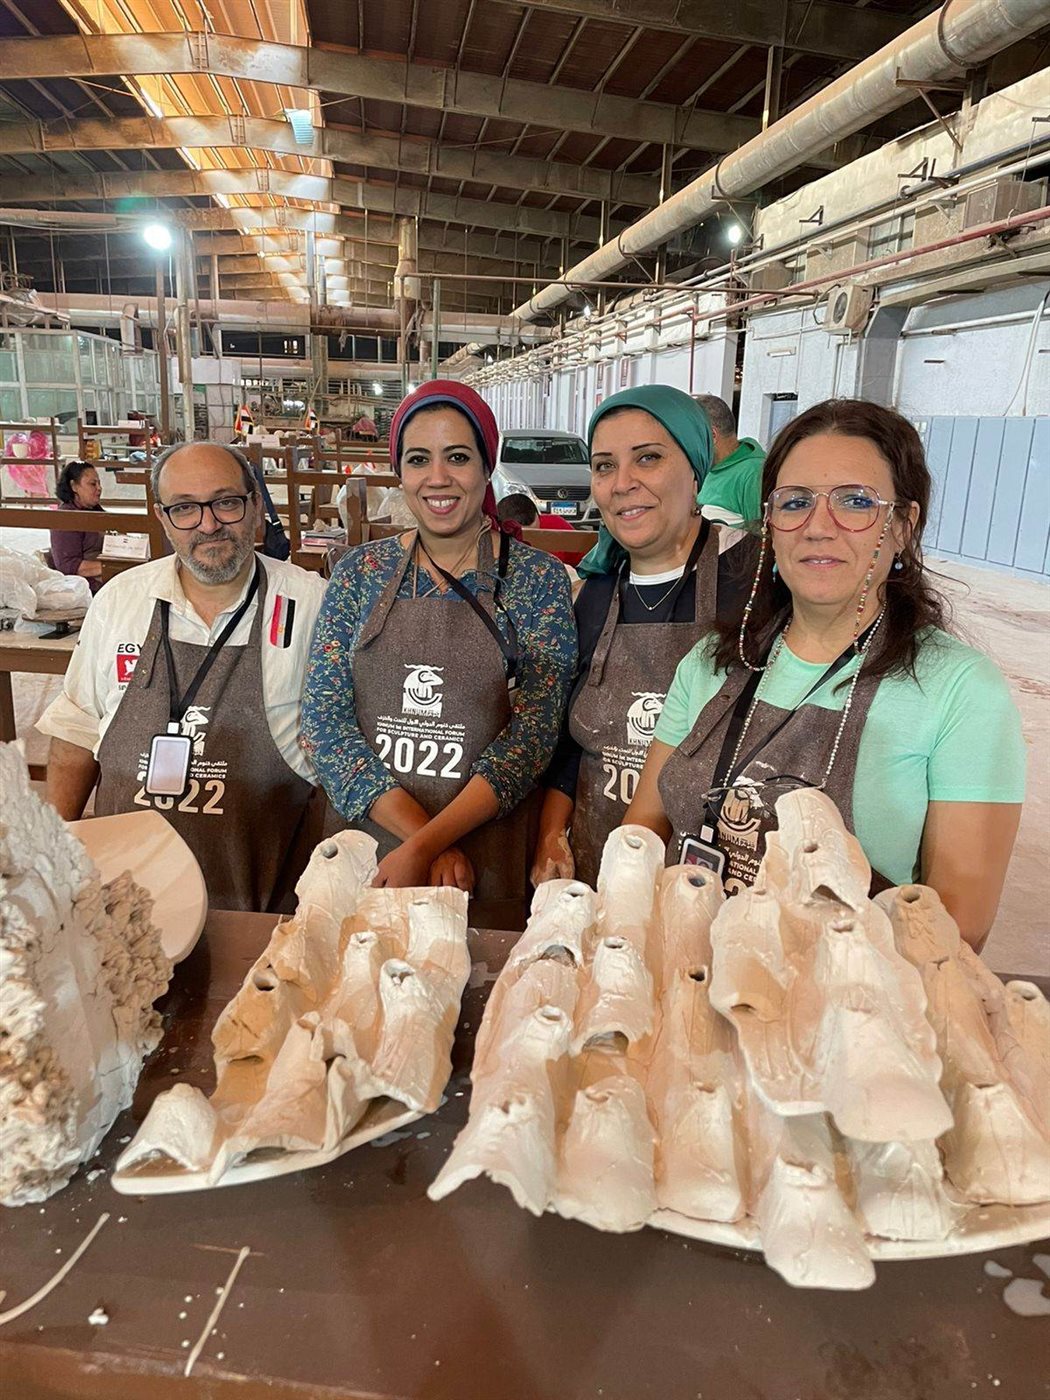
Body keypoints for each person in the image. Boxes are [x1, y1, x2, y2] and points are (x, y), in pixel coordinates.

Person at [625, 399, 1024, 951]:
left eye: (855, 502)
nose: (818, 527)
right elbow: (643, 827)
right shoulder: (714, 660)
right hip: (688, 966)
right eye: (795, 502)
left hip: (848, 991)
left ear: (903, 525)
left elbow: (958, 925)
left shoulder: (960, 690)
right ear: (770, 524)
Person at [301, 380, 576, 930]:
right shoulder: (359, 573)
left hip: (484, 854)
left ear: (487, 467)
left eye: (458, 457)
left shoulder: (537, 580)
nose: (438, 478)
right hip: (371, 847)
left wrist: (428, 845)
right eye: (418, 459)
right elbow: (324, 724)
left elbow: (534, 736)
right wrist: (425, 843)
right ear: (400, 472)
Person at [39, 442, 326, 913]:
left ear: (256, 505)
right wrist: (52, 853)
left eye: (226, 502)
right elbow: (76, 731)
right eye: (185, 508)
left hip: (259, 907)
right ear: (162, 516)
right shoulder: (120, 601)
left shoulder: (313, 605)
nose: (208, 524)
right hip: (122, 903)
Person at [532, 385, 748, 889]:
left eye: (648, 458)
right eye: (604, 466)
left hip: (712, 880)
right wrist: (550, 835)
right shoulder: (592, 594)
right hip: (597, 866)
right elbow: (569, 747)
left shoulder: (751, 579)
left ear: (695, 469)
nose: (622, 483)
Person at [694, 393, 766, 528]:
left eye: (693, 436)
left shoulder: (754, 473)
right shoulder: (707, 468)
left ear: (712, 435)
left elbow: (760, 533)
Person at [51, 460, 105, 594]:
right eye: (93, 484)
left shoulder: (95, 510)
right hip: (87, 588)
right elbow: (68, 565)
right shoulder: (66, 518)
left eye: (99, 483)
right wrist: (110, 568)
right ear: (74, 486)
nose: (99, 488)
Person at [496, 491, 586, 566]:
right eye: (519, 537)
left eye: (533, 534)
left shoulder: (557, 526)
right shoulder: (492, 534)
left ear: (538, 516)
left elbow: (584, 561)